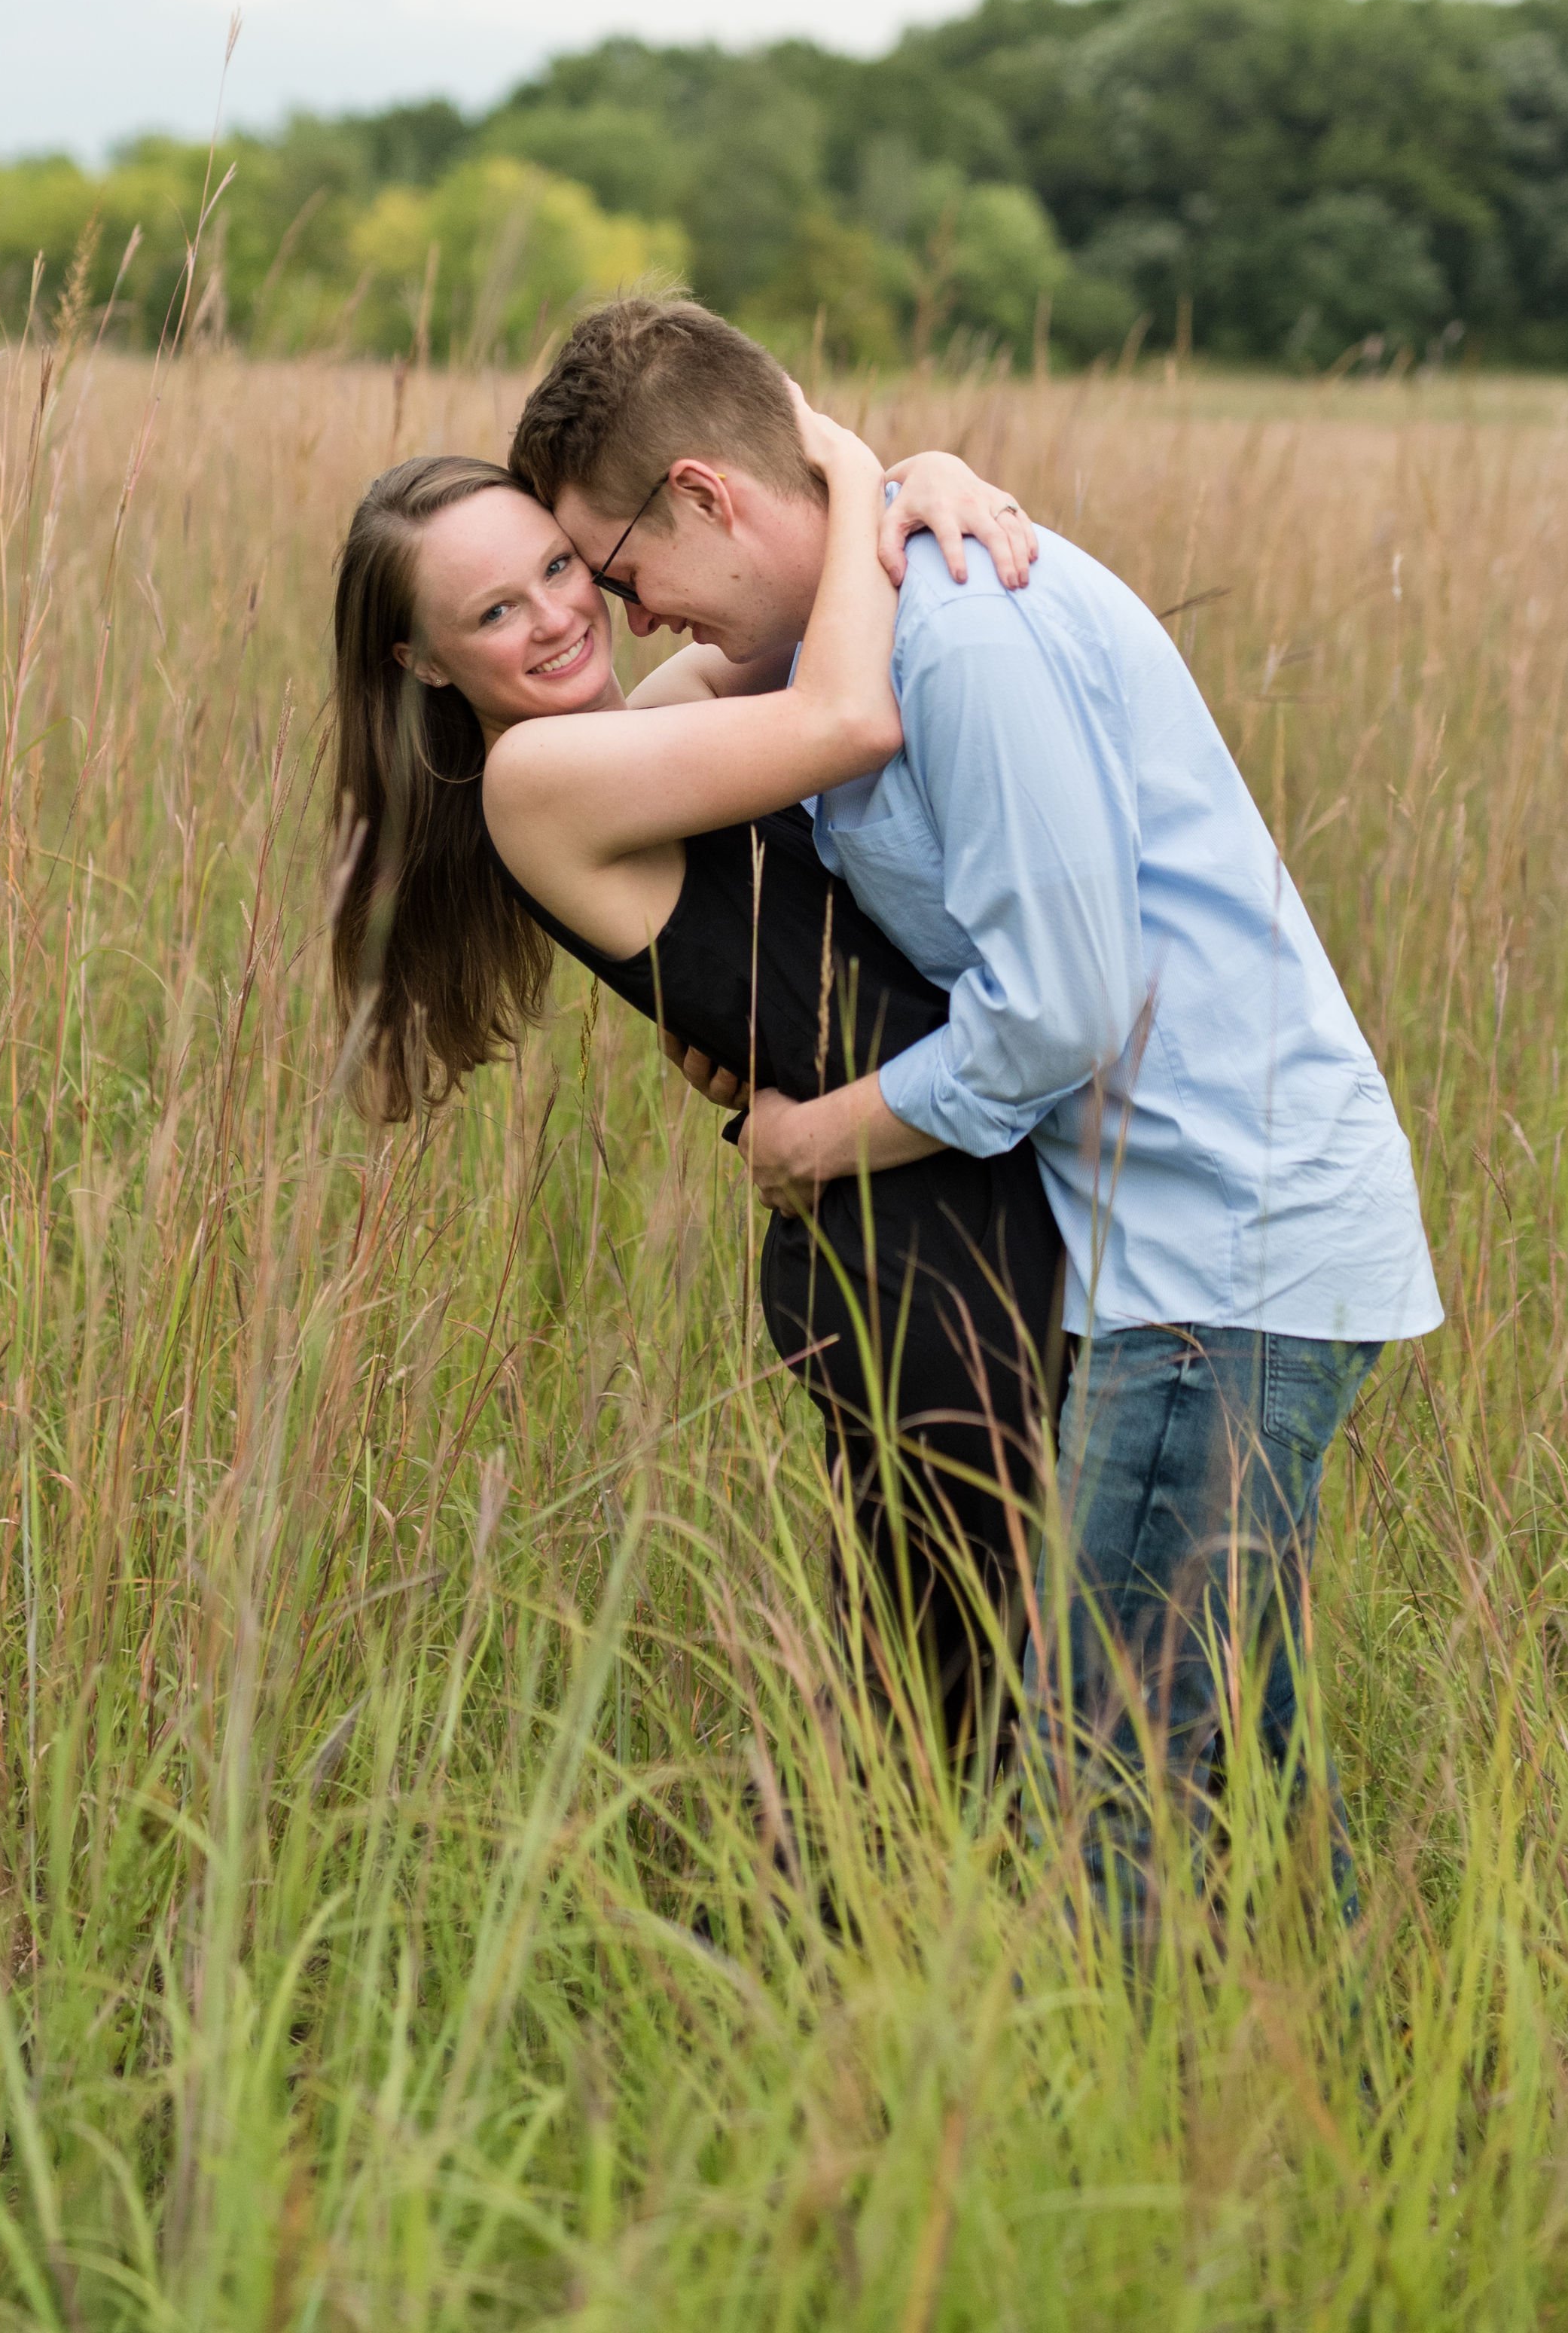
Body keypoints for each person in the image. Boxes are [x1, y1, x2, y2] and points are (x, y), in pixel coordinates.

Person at [510, 296, 1445, 1933]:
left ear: (705, 499)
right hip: (1170, 1245)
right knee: (1230, 1745)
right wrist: (876, 462)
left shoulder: (959, 632)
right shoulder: (838, 638)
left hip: (1208, 1253)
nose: (620, 608)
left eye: (611, 564)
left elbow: (1062, 1008)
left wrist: (827, 1130)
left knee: (1114, 1781)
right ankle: (1366, 2087)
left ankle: (1159, 2137)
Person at [326, 406, 1065, 1776]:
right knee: (941, 1710)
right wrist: (857, 469)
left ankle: (908, 1950)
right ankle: (855, 1962)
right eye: (494, 610)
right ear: (421, 662)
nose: (557, 617)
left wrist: (929, 479)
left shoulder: (622, 734)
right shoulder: (539, 780)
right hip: (916, 1260)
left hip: (940, 1203)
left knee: (978, 1679)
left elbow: (797, 610)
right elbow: (848, 714)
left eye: (558, 566)